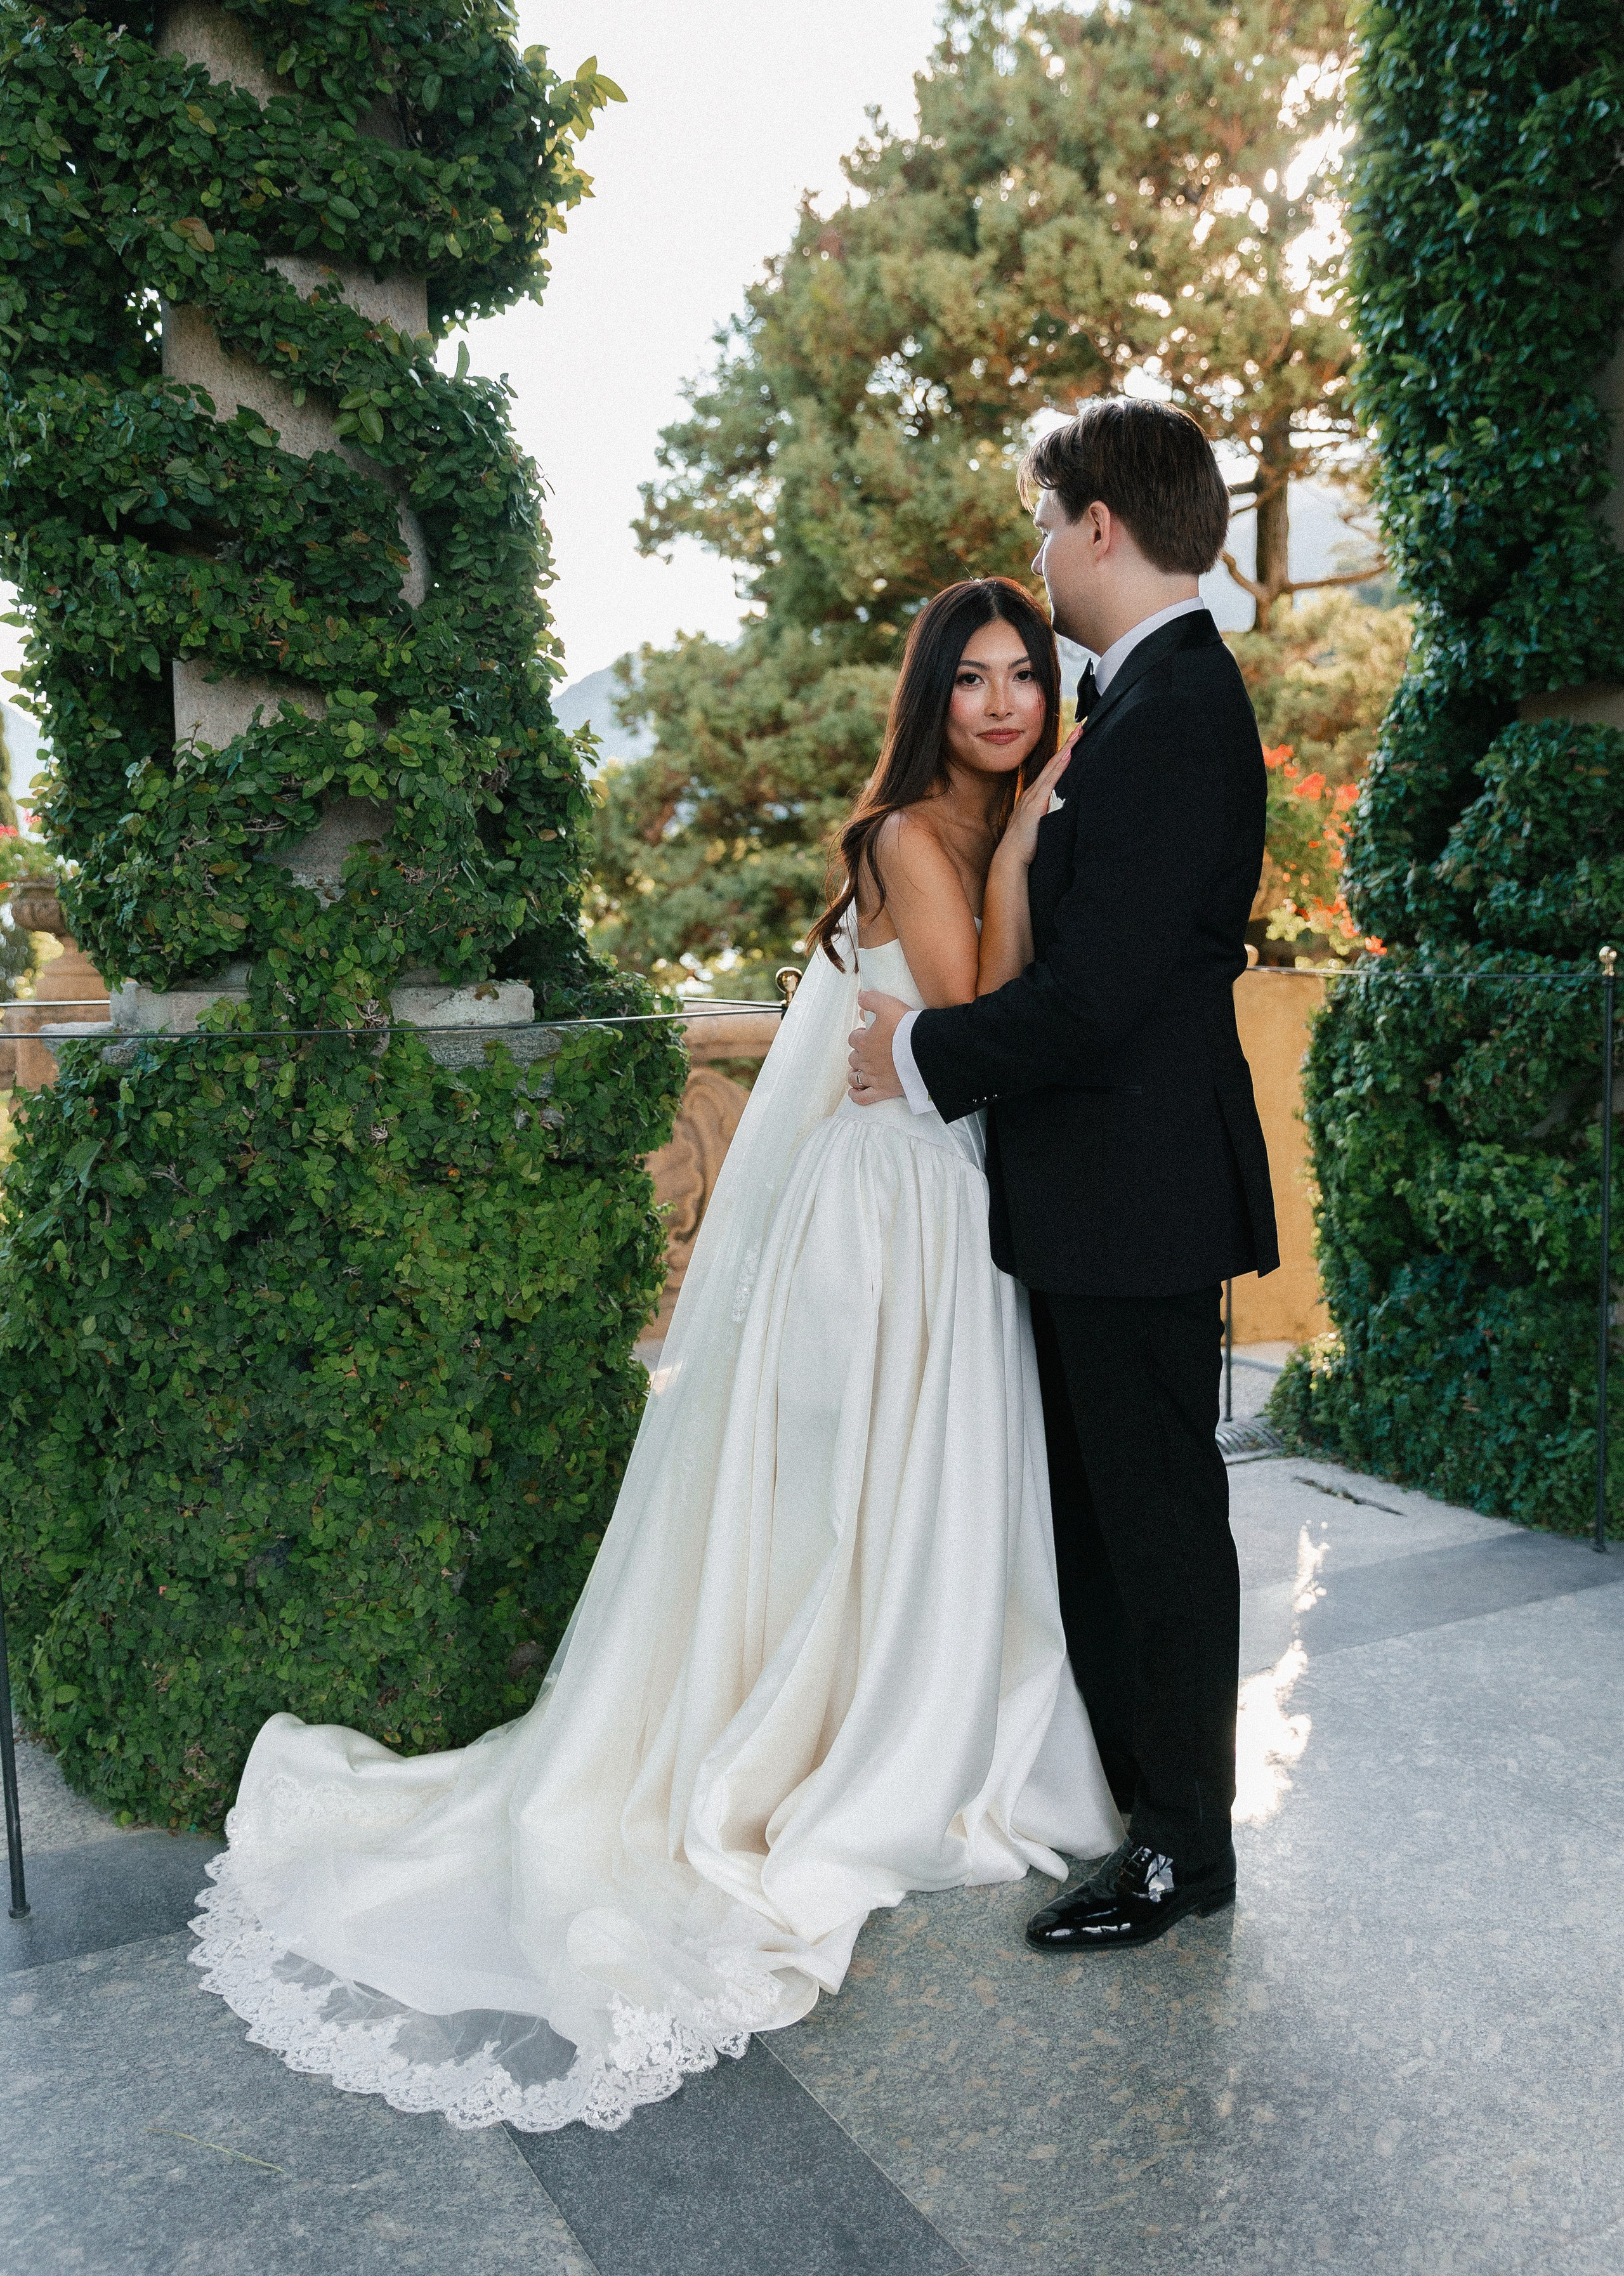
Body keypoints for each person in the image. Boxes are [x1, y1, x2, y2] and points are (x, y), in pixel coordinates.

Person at [190, 575, 1121, 2136]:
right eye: (968, 680)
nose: (999, 704)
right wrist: (1027, 845)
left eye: (1020, 676)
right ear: (929, 701)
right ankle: (845, 1745)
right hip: (889, 1213)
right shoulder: (912, 834)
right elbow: (976, 1021)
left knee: (923, 1499)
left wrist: (1022, 843)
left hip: (943, 1198)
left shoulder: (981, 829)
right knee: (857, 1504)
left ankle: (912, 1712)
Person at [849, 397, 1278, 1953]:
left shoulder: (1170, 713)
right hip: (1099, 1191)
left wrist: (918, 1055)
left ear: (1098, 525)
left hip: (1133, 1192)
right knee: (1103, 1520)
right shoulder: (1143, 698)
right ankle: (1136, 1805)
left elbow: (1093, 999)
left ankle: (1180, 1850)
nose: (1037, 556)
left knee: (1151, 1525)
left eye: (1044, 526)